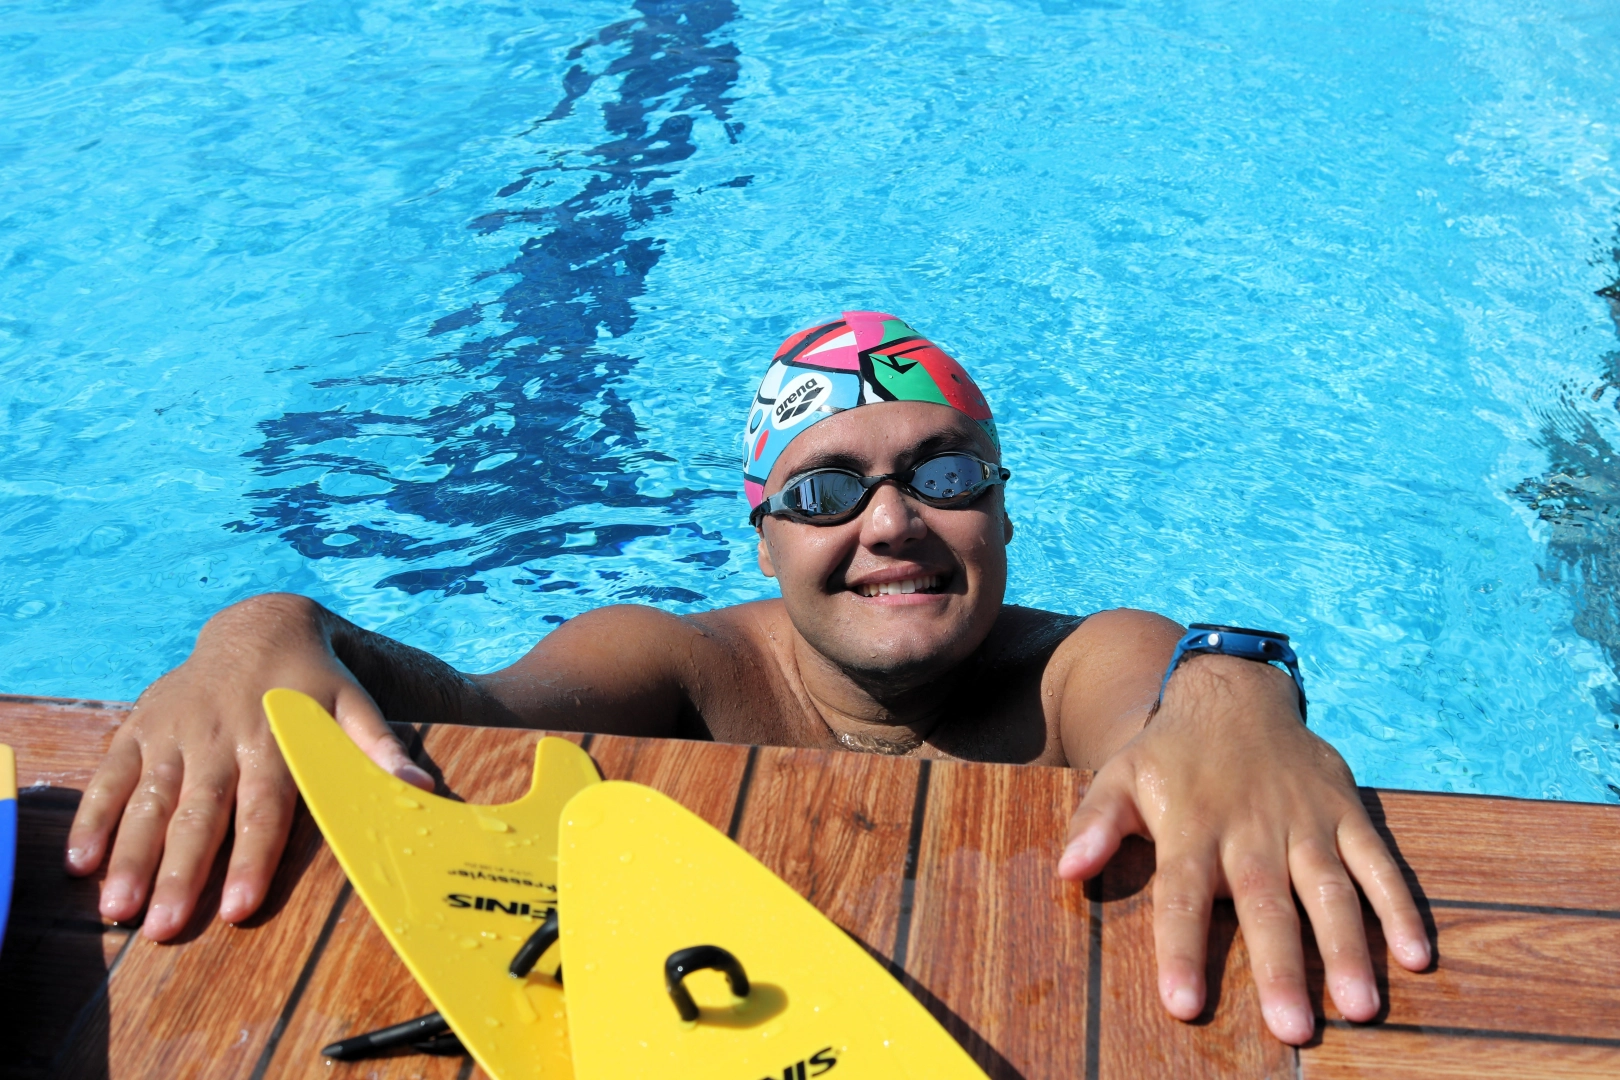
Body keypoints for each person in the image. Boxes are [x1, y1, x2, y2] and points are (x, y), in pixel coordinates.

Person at [65, 311, 1429, 1045]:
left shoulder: (1066, 661)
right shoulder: (682, 661)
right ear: (764, 538)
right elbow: (458, 722)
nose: (890, 522)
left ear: (1003, 518)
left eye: (942, 474)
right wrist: (262, 630)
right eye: (828, 490)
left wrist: (1236, 690)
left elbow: (1170, 683)